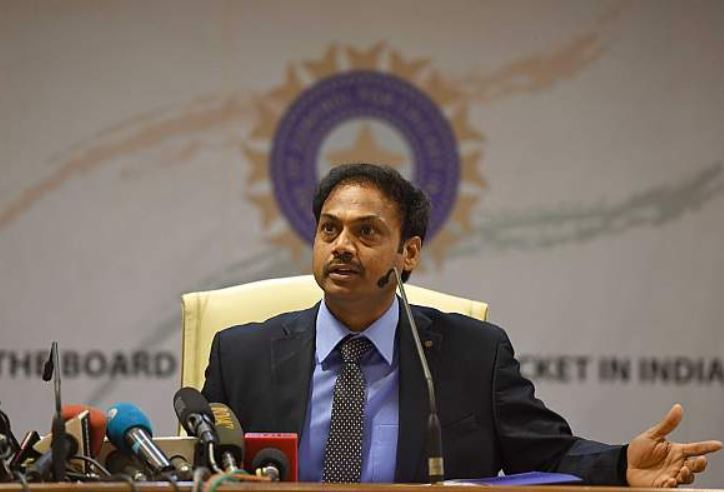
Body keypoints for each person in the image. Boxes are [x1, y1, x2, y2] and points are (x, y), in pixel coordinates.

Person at [201, 163, 721, 485]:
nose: (342, 246)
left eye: (366, 232)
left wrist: (622, 464)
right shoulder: (242, 356)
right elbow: (197, 470)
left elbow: (546, 452)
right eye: (329, 229)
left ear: (409, 253)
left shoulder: (472, 354)